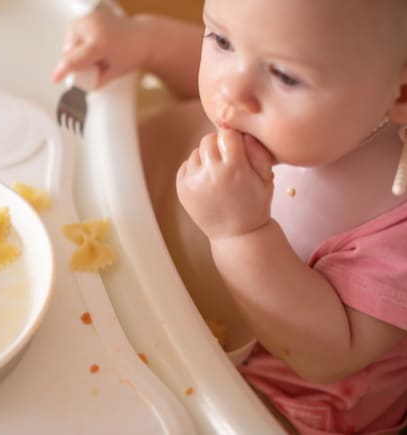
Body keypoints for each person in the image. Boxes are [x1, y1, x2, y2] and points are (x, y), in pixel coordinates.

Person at [52, 1, 407, 434]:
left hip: (274, 395)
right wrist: (145, 42)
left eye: (285, 75)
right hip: (149, 258)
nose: (230, 91)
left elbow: (329, 354)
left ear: (401, 92)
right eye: (221, 40)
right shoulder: (272, 86)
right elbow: (249, 45)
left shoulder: (395, 223)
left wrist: (241, 233)